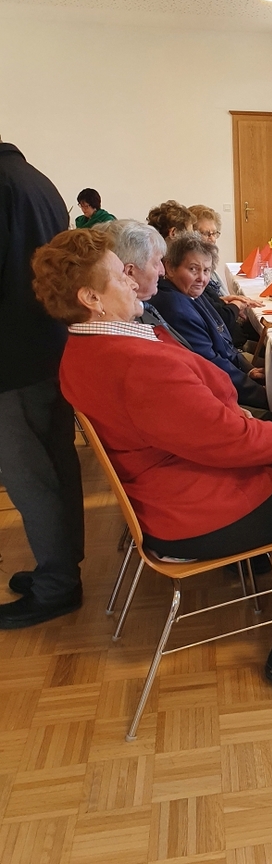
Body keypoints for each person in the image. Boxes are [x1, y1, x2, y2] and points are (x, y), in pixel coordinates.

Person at [31, 228, 272, 683]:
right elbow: (229, 440)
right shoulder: (135, 362)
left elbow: (202, 425)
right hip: (186, 511)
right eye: (120, 276)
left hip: (165, 489)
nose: (133, 281)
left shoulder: (82, 348)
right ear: (91, 297)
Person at [0, 139, 85, 629]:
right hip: (51, 347)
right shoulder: (38, 181)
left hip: (11, 359)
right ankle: (62, 566)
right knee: (57, 464)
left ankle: (57, 584)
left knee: (29, 476)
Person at [149, 234, 270, 413]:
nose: (201, 278)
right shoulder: (177, 308)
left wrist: (249, 371)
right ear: (170, 268)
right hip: (215, 393)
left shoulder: (190, 292)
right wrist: (264, 396)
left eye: (206, 270)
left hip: (231, 373)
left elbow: (224, 342)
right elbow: (211, 364)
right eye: (193, 269)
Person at [102, 219, 189, 347]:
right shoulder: (125, 322)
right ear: (130, 272)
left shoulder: (144, 305)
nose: (162, 271)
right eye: (157, 263)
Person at [188, 203, 262, 347]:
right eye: (206, 234)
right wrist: (235, 306)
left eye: (214, 233)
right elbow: (215, 316)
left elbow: (212, 303)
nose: (212, 239)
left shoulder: (209, 265)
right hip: (229, 340)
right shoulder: (194, 275)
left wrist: (226, 301)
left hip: (231, 328)